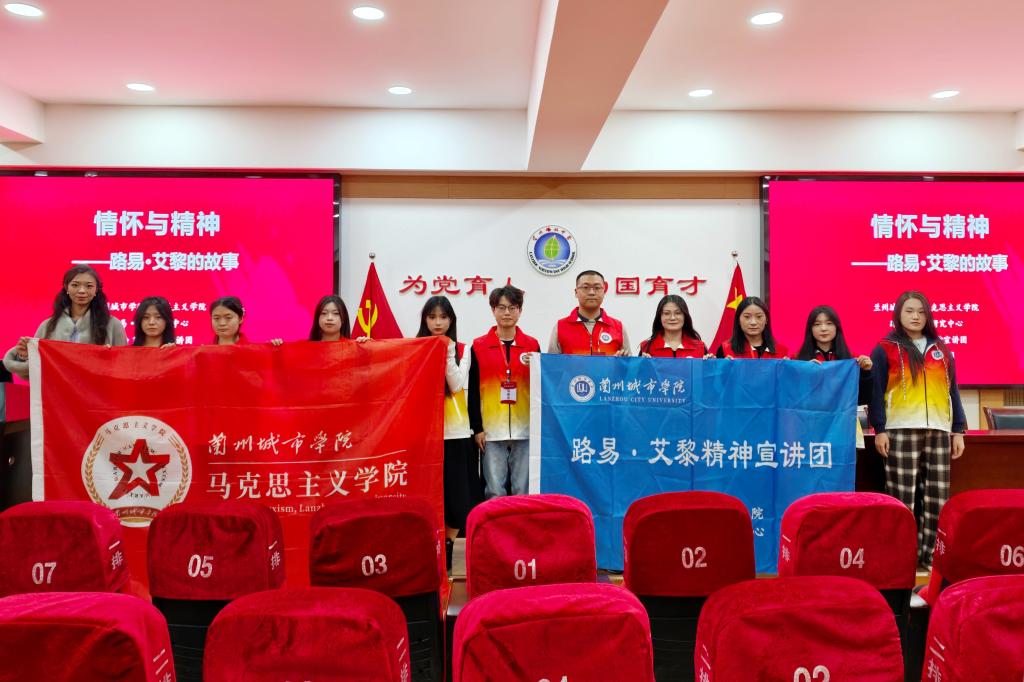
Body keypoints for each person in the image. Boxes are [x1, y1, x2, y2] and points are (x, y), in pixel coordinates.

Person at [869, 291, 967, 569]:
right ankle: (902, 557)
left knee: (937, 498)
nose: (916, 316)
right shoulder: (885, 348)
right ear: (898, 313)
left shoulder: (941, 349)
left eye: (921, 312)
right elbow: (876, 393)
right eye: (910, 311)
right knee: (902, 498)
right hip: (900, 429)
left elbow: (952, 390)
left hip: (938, 429)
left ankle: (931, 556)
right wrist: (880, 429)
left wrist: (958, 430)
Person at [416, 296, 479, 569]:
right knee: (427, 496)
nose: (438, 323)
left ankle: (450, 547)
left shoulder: (463, 349)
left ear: (451, 320)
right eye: (432, 317)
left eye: (443, 317)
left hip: (456, 434)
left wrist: (447, 349)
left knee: (457, 498)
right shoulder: (414, 347)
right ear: (424, 320)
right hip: (424, 435)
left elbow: (455, 384)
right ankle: (430, 549)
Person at [468, 285, 540, 499]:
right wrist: (477, 428)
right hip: (491, 429)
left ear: (520, 311)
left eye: (512, 307)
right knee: (493, 489)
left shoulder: (532, 345)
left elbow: (540, 388)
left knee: (523, 489)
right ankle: (493, 522)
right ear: (493, 310)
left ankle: (523, 520)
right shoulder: (479, 346)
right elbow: (473, 390)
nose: (507, 312)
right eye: (501, 307)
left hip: (525, 428)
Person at [3, 265, 127, 379]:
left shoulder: (113, 325)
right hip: (56, 394)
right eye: (75, 285)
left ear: (96, 290)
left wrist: (107, 359)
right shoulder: (48, 326)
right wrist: (24, 356)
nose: (82, 290)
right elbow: (35, 372)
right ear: (66, 287)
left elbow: (124, 367)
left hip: (97, 394)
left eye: (89, 286)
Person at [795, 305, 872, 404]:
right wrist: (803, 372)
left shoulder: (853, 360)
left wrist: (866, 373)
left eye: (829, 323)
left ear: (837, 327)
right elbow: (792, 400)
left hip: (842, 414)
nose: (823, 328)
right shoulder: (797, 360)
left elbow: (863, 400)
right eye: (817, 324)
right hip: (810, 413)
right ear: (810, 329)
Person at [548, 270, 630, 356]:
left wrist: (622, 360)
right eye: (585, 287)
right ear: (576, 292)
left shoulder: (618, 327)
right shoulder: (560, 327)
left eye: (597, 288)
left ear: (604, 292)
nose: (591, 292)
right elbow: (551, 362)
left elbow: (629, 362)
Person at [715, 296, 789, 359]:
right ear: (738, 320)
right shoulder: (725, 350)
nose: (753, 322)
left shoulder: (782, 352)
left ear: (766, 320)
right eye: (747, 317)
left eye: (759, 317)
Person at [638, 295, 706, 358]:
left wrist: (710, 363)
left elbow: (707, 367)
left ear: (685, 316)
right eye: (667, 313)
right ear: (660, 317)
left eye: (678, 313)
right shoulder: (646, 348)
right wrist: (642, 364)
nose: (672, 318)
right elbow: (637, 367)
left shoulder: (700, 347)